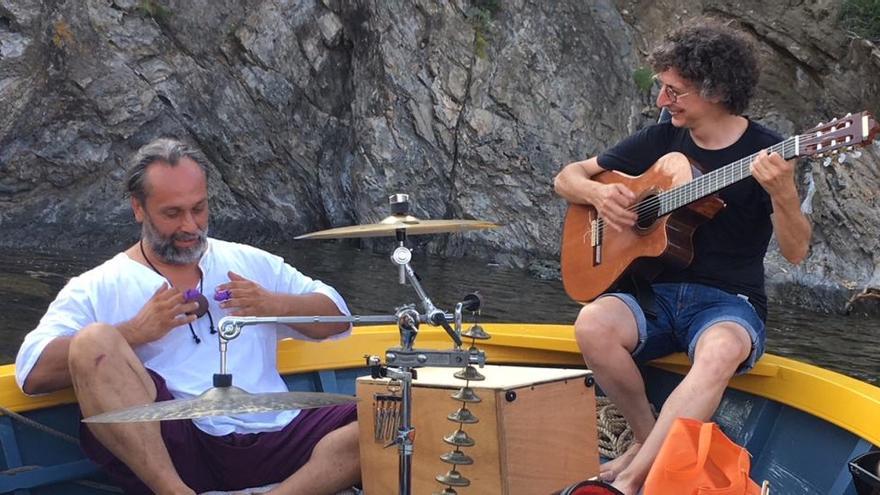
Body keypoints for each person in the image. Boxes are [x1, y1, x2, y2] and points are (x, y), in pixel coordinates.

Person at [15, 138, 360, 495]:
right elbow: (32, 371)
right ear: (138, 208)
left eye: (199, 208)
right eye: (172, 213)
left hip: (276, 430)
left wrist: (276, 305)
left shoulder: (248, 262)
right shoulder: (100, 285)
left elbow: (338, 317)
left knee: (391, 424)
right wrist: (135, 331)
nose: (190, 226)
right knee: (94, 341)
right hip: (179, 446)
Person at [553, 20, 811, 495]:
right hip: (654, 294)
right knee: (592, 324)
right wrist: (598, 193)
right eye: (662, 89)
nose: (661, 101)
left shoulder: (770, 153)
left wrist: (785, 195)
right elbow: (566, 178)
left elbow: (796, 253)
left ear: (715, 92)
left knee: (720, 352)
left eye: (674, 91)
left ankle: (631, 480)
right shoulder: (660, 141)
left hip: (729, 302)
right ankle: (647, 436)